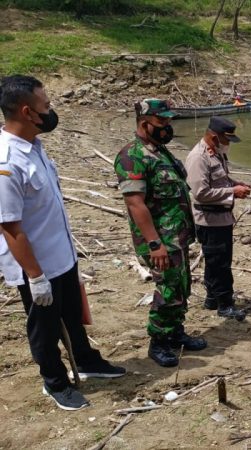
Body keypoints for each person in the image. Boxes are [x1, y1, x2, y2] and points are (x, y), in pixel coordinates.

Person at [0, 75, 124, 411]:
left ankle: (85, 360)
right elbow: (9, 227)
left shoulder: (34, 147)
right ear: (27, 112)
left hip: (61, 256)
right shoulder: (6, 162)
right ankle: (55, 382)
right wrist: (36, 277)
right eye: (46, 105)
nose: (51, 110)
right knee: (44, 327)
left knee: (71, 314)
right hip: (37, 265)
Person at [114, 99, 206, 367]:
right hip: (159, 240)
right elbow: (135, 203)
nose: (167, 126)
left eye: (168, 121)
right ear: (145, 123)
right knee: (168, 289)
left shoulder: (160, 152)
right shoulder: (132, 156)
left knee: (181, 286)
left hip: (177, 236)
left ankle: (175, 332)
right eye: (162, 121)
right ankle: (159, 341)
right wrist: (155, 244)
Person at [185, 116, 250, 321]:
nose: (228, 143)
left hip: (221, 218)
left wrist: (236, 184)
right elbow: (200, 193)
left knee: (215, 262)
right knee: (220, 264)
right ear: (214, 137)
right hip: (209, 220)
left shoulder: (216, 153)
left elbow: (220, 178)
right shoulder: (198, 157)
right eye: (226, 139)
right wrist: (232, 191)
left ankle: (212, 299)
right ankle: (225, 305)